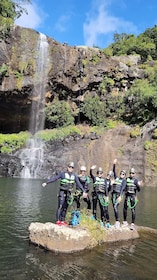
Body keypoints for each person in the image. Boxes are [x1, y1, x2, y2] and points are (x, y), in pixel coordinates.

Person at [42, 162, 86, 226]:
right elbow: (55, 178)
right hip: (62, 192)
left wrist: (83, 191)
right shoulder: (63, 174)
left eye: (72, 167)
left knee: (65, 207)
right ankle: (58, 220)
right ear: (67, 167)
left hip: (69, 193)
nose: (70, 168)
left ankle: (62, 220)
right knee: (60, 206)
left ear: (73, 169)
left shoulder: (74, 176)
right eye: (69, 167)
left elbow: (78, 184)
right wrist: (46, 183)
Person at [111, 159, 126, 229]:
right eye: (121, 173)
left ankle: (117, 221)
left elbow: (122, 189)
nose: (121, 175)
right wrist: (114, 164)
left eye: (123, 174)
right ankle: (116, 221)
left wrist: (120, 196)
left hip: (118, 195)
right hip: (113, 194)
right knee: (114, 207)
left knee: (115, 207)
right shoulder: (117, 178)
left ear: (125, 175)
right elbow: (113, 172)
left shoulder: (124, 181)